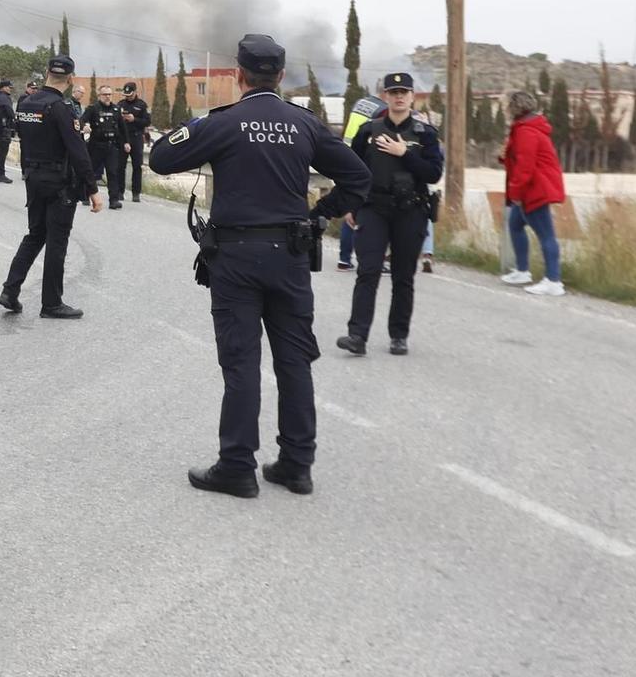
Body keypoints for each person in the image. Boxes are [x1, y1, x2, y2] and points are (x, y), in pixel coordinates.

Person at [149, 34, 370, 498]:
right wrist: (320, 215)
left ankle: (237, 467)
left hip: (235, 259)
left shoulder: (224, 121)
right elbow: (358, 176)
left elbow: (161, 157)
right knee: (294, 362)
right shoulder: (304, 124)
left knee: (241, 361)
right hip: (290, 256)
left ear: (238, 74)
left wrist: (199, 127)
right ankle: (296, 464)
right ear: (282, 75)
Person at [335, 73, 443, 358]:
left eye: (404, 92)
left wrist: (403, 152)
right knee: (368, 271)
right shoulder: (369, 130)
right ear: (385, 95)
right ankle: (357, 335)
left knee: (402, 276)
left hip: (411, 211)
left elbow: (434, 173)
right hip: (374, 209)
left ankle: (398, 335)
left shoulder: (425, 133)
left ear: (412, 97)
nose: (398, 96)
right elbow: (352, 171)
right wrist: (351, 206)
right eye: (393, 91)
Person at [0, 55, 106, 318]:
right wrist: (92, 189)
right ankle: (51, 303)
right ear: (70, 79)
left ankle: (10, 291)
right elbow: (77, 150)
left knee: (34, 235)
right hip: (59, 183)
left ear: (46, 73)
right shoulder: (61, 108)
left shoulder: (25, 103)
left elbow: (22, 140)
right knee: (57, 242)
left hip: (33, 179)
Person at [500, 90, 567, 296]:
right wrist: (504, 158)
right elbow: (520, 159)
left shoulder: (526, 131)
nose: (504, 108)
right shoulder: (525, 128)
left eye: (506, 104)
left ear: (514, 107)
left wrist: (516, 192)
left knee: (546, 235)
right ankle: (522, 271)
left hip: (536, 188)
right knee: (515, 225)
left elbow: (525, 167)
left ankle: (553, 281)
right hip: (533, 186)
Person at [334, 94, 386, 271]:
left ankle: (344, 258)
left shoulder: (361, 102)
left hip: (345, 157)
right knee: (361, 213)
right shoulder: (382, 110)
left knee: (351, 209)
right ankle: (373, 260)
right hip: (363, 161)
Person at [81, 84, 128, 210]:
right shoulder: (93, 109)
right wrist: (84, 126)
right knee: (91, 171)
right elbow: (82, 120)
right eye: (105, 94)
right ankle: (85, 195)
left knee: (113, 173)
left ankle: (114, 200)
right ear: (99, 95)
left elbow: (123, 128)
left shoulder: (116, 110)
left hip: (111, 146)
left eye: (109, 94)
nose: (107, 97)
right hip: (96, 145)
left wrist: (126, 142)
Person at [117, 81, 151, 203]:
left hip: (136, 138)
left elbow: (147, 121)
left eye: (130, 94)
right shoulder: (120, 104)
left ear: (135, 92)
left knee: (137, 166)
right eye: (126, 95)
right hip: (123, 138)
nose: (128, 97)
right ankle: (120, 191)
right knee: (120, 166)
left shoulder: (141, 105)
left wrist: (134, 119)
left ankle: (136, 193)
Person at [0, 79, 17, 183]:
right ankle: (1, 174)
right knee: (2, 151)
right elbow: (10, 113)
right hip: (4, 127)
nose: (10, 89)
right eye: (9, 87)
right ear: (4, 87)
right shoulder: (5, 98)